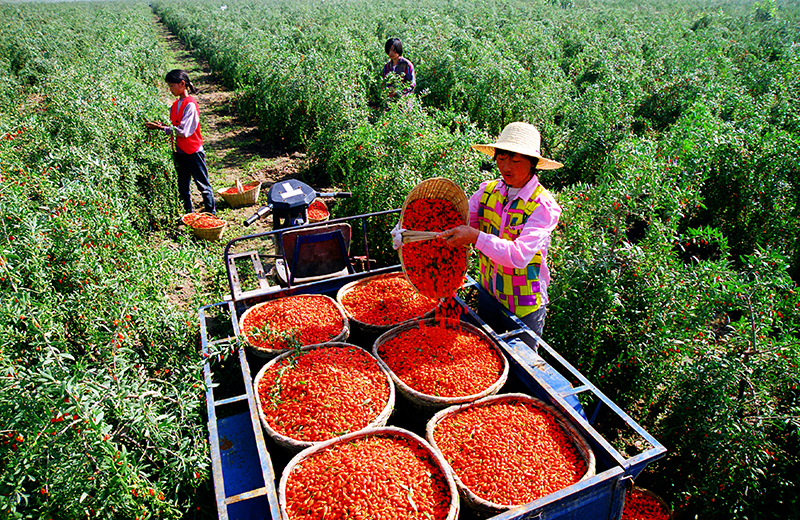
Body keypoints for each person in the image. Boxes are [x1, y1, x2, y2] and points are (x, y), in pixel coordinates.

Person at [439, 122, 563, 340]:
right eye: (501, 158)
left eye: (515, 160)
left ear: (533, 164)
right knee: (485, 347)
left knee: (521, 363)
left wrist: (475, 237)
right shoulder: (488, 191)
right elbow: (459, 221)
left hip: (524, 305)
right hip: (489, 292)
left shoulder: (542, 206)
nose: (506, 166)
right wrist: (410, 231)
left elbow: (519, 256)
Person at [145, 69, 216, 215]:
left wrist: (161, 128)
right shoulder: (176, 104)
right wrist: (162, 124)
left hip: (193, 151)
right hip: (180, 151)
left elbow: (184, 132)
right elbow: (174, 124)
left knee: (203, 185)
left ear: (182, 84)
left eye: (172, 86)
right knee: (183, 187)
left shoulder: (190, 105)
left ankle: (211, 214)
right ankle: (187, 214)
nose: (170, 89)